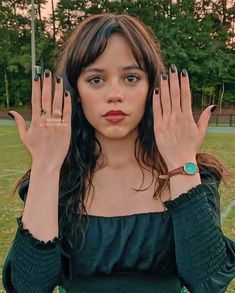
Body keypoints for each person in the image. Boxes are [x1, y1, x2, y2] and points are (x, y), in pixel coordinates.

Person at [2, 13, 235, 293]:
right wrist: (46, 166)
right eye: (96, 79)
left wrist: (181, 162)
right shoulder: (55, 180)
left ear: (153, 88)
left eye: (131, 77)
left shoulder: (196, 175)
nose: (115, 94)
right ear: (73, 91)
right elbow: (29, 287)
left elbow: (207, 282)